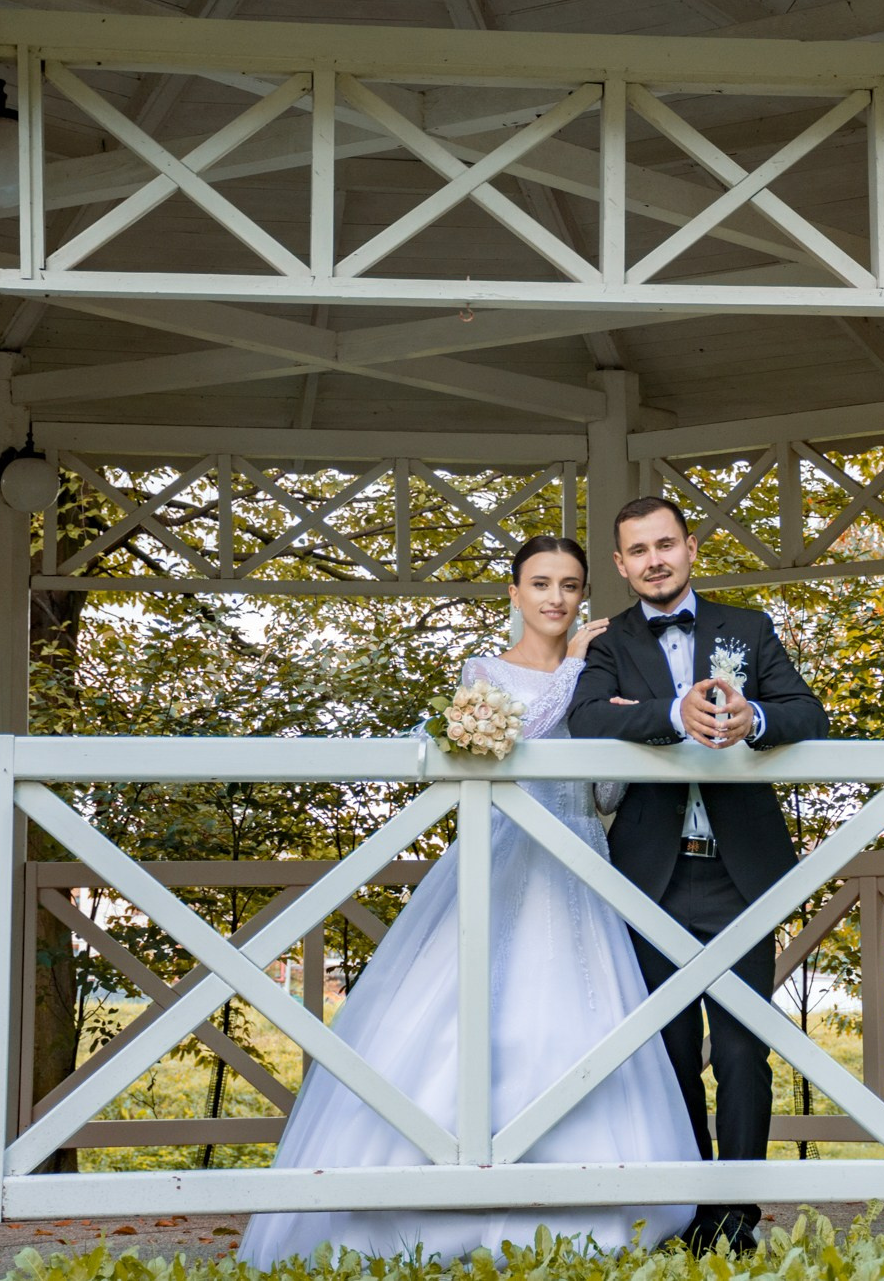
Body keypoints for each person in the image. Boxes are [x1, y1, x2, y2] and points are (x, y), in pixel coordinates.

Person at [239, 536, 697, 1267]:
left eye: (570, 585)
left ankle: (597, 1202)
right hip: (502, 855)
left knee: (581, 1019)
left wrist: (610, 769)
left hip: (580, 858)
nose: (556, 597)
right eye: (541, 583)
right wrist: (578, 666)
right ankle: (427, 1199)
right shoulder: (485, 672)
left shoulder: (598, 674)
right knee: (468, 1013)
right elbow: (514, 743)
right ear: (513, 594)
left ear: (584, 594)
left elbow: (603, 786)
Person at [567, 498, 829, 1254]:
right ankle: (690, 1212)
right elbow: (588, 720)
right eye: (637, 550)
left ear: (690, 548)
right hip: (649, 877)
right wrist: (671, 716)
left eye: (665, 544)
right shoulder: (609, 641)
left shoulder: (747, 629)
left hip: (739, 874)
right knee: (673, 1049)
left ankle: (736, 1217)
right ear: (620, 565)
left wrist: (759, 724)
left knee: (745, 1050)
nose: (654, 559)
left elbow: (807, 713)